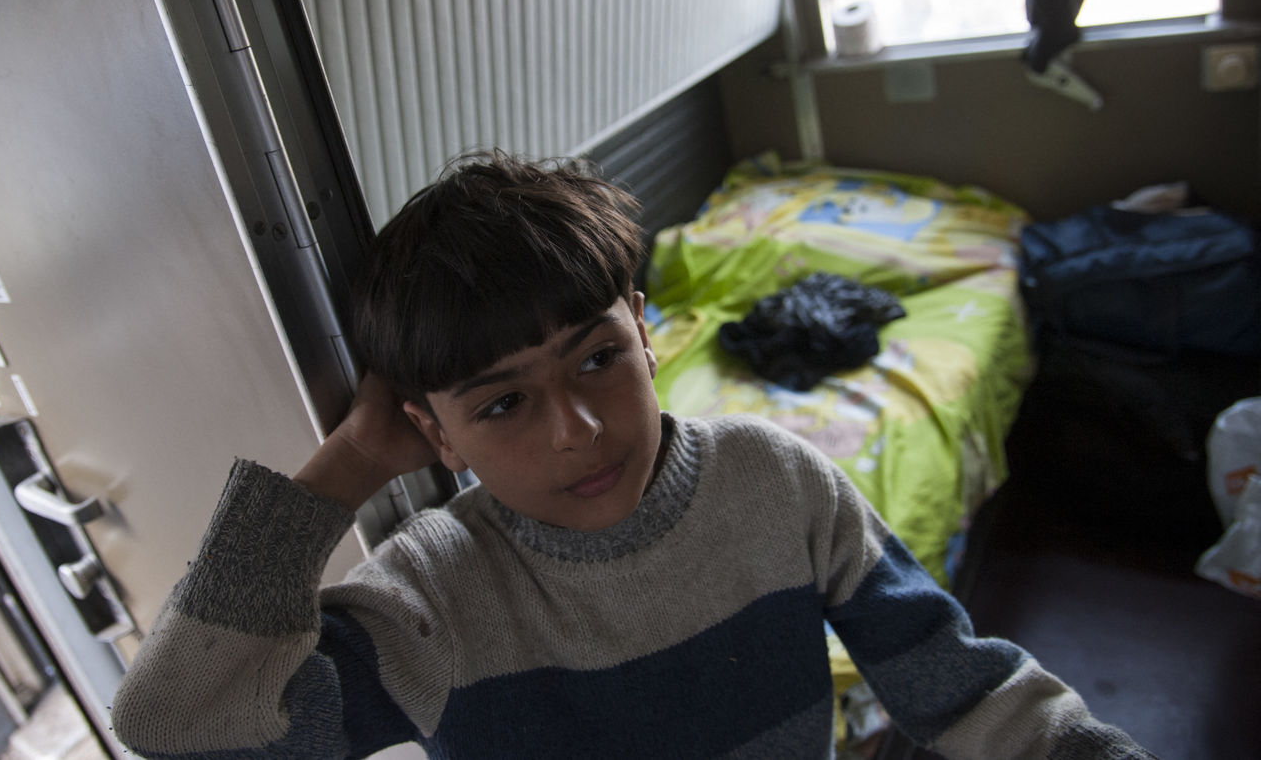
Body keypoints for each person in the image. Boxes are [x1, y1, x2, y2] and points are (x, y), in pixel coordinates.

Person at [111, 151, 1155, 759]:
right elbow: (178, 725)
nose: (576, 427)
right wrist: (345, 466)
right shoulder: (431, 599)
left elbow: (960, 684)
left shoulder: (775, 482)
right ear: (434, 432)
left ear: (646, 331)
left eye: (598, 357)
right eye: (503, 402)